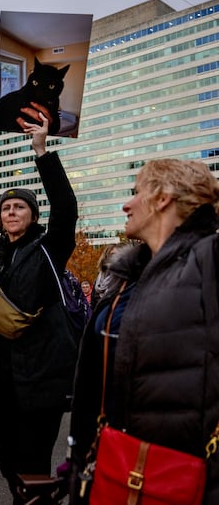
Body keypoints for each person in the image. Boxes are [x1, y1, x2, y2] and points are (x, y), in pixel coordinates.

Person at [69, 159, 219, 503]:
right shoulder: (131, 275)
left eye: (136, 193)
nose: (127, 204)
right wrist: (79, 461)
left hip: (184, 481)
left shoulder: (208, 258)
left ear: (163, 198)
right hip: (118, 468)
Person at [0, 113, 78, 503]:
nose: (10, 212)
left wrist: (42, 152)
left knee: (34, 469)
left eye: (19, 206)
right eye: (5, 208)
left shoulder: (48, 249)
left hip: (40, 377)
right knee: (9, 466)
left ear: (33, 216)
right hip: (2, 381)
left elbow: (65, 208)